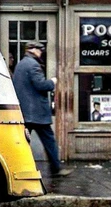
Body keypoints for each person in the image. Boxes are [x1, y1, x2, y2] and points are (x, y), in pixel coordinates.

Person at [12, 41, 72, 178]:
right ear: (33, 50)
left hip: (26, 112)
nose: (41, 52)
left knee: (22, 141)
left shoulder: (21, 64)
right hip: (37, 112)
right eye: (39, 50)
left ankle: (18, 167)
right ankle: (56, 169)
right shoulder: (33, 65)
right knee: (49, 140)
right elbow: (41, 85)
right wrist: (52, 82)